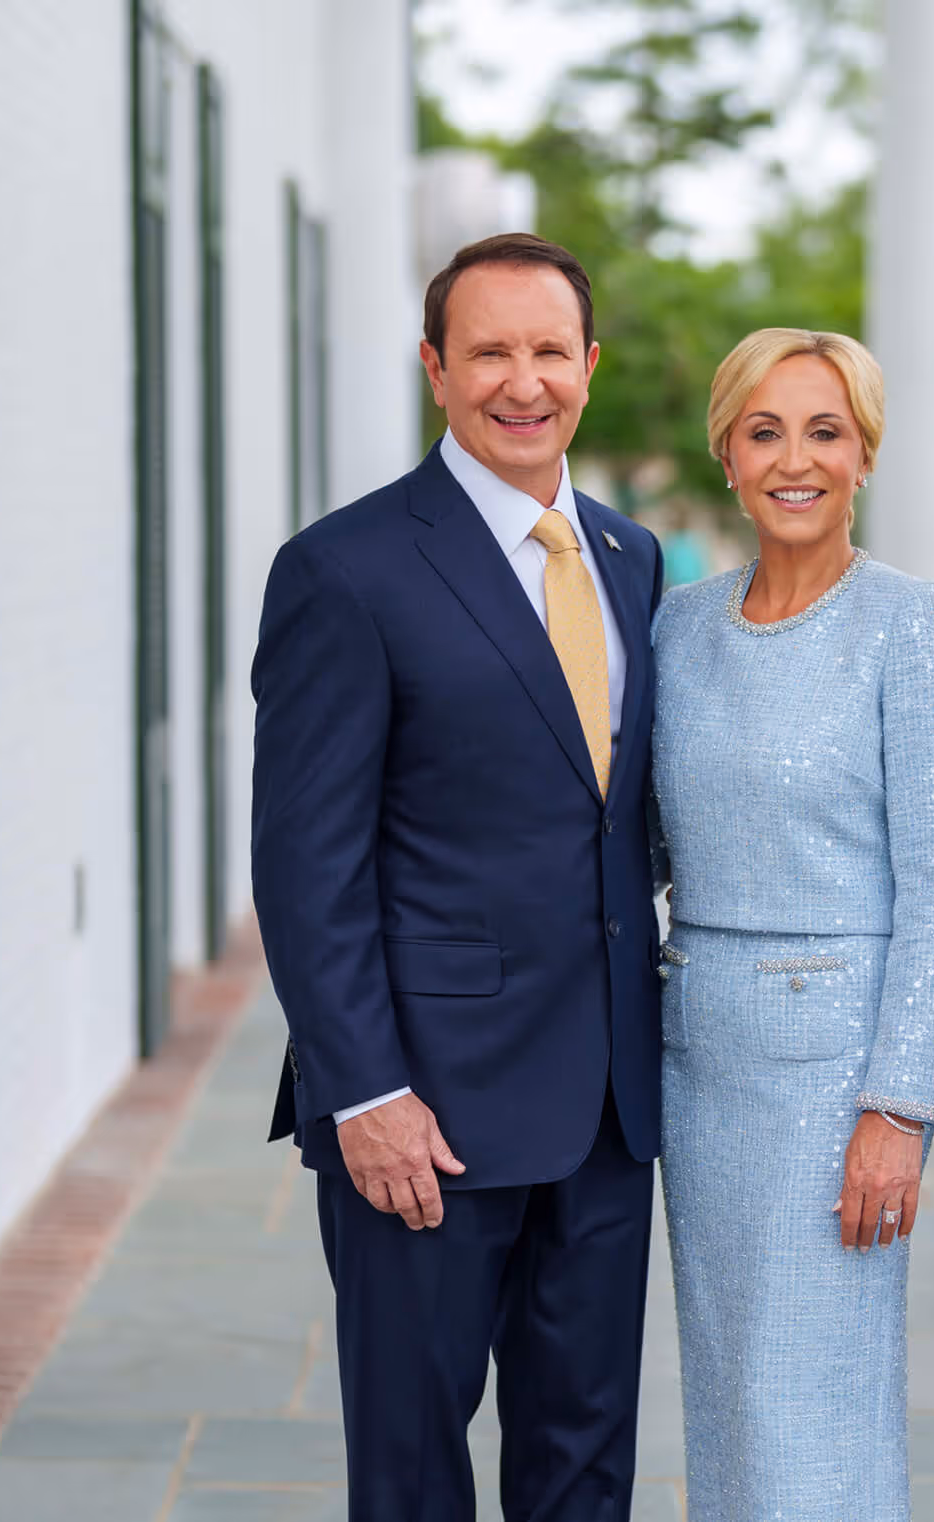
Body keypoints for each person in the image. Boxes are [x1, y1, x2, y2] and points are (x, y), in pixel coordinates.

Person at [251, 232, 664, 1521]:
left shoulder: (629, 558)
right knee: (413, 1464)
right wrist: (362, 1088)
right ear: (435, 368)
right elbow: (305, 863)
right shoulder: (345, 569)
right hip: (422, 1110)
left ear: (587, 368)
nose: (520, 380)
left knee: (584, 1460)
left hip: (605, 1109)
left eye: (548, 350)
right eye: (488, 350)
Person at [651, 329, 934, 1520]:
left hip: (838, 1076)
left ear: (865, 454)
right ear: (727, 455)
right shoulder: (676, 625)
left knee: (815, 1404)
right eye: (765, 430)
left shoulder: (908, 624)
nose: (795, 459)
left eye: (825, 431)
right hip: (700, 1060)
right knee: (731, 1391)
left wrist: (897, 1106)